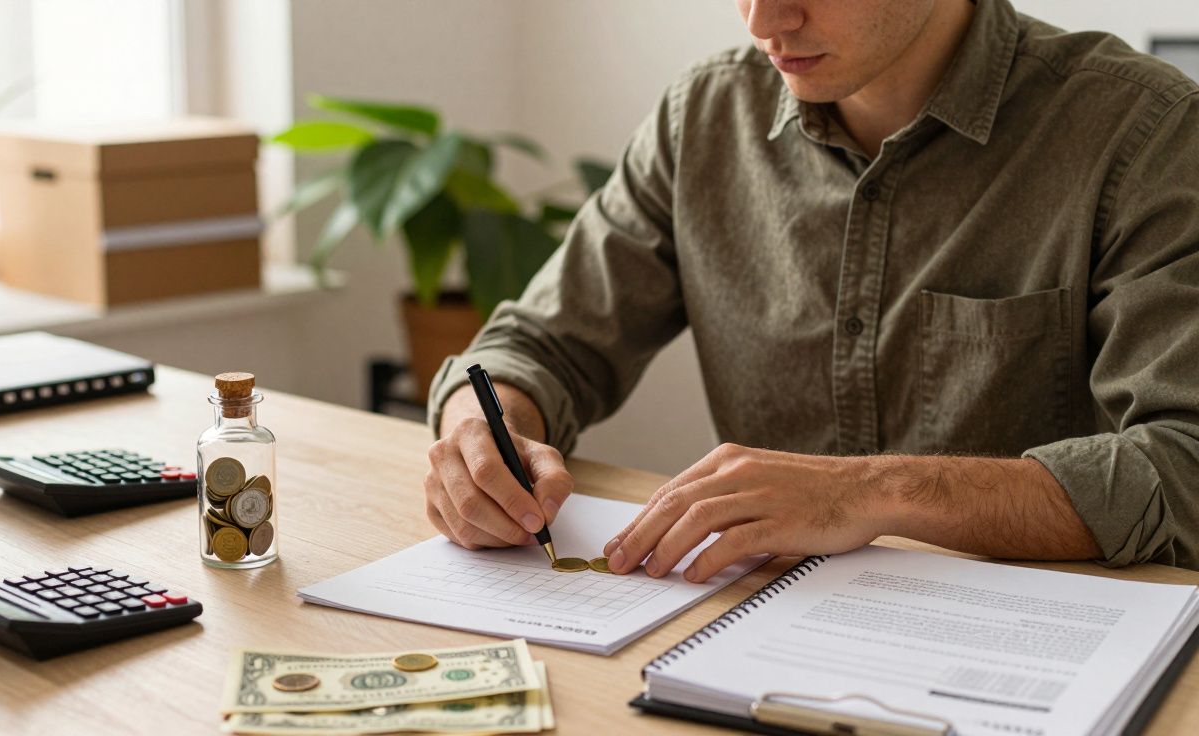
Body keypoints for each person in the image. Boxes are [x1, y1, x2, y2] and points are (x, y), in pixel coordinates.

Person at [422, 0, 1199, 580]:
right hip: (754, 633)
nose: (766, 20)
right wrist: (480, 427)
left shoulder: (1144, 133)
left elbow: (1186, 467)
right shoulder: (704, 116)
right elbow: (535, 344)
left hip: (1041, 646)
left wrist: (874, 491)